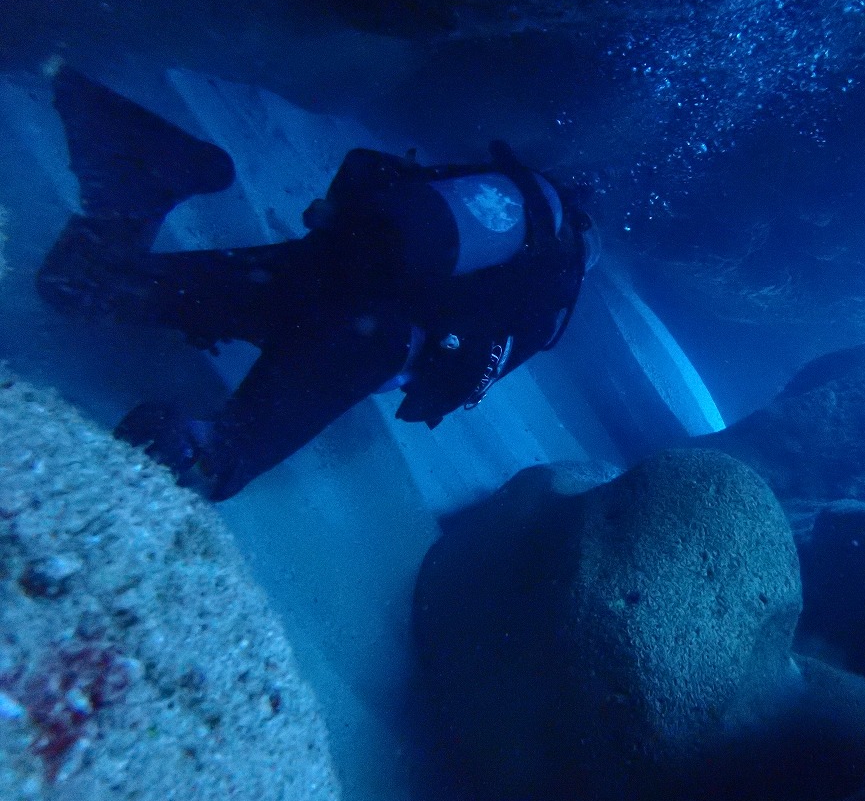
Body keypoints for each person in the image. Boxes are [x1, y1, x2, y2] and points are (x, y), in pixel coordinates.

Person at [37, 67, 597, 501]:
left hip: (312, 269)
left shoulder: (503, 200)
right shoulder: (549, 286)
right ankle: (75, 487)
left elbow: (372, 197)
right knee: (209, 467)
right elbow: (451, 378)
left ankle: (152, 178)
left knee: (83, 286)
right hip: (361, 341)